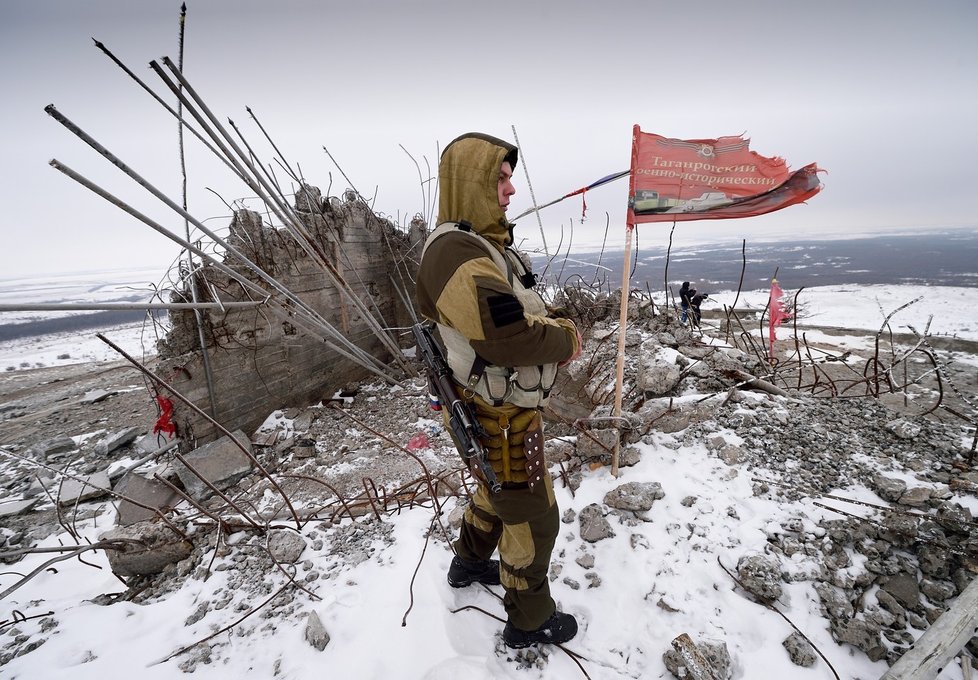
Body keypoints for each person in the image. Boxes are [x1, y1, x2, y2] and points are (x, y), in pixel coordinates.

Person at [415, 132, 582, 649]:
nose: (511, 189)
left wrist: (547, 321)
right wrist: (568, 338)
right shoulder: (456, 253)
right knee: (533, 516)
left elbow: (517, 310)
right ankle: (529, 619)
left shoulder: (478, 245)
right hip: (498, 413)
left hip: (489, 408)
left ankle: (467, 564)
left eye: (510, 177)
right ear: (472, 185)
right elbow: (509, 336)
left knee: (494, 492)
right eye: (500, 178)